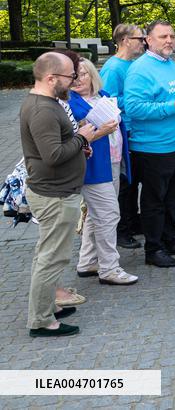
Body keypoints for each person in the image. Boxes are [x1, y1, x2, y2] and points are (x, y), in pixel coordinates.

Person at [20, 52, 102, 337]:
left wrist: (78, 146)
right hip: (54, 195)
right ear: (51, 78)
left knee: (49, 255)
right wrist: (82, 138)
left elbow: (58, 146)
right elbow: (53, 155)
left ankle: (47, 306)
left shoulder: (48, 103)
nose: (74, 80)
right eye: (70, 76)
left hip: (58, 191)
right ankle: (41, 321)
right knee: (51, 258)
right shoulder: (42, 110)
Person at [123, 21, 175, 268]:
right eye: (163, 36)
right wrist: (170, 108)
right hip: (154, 148)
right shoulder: (140, 69)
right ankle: (153, 249)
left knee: (173, 198)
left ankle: (170, 240)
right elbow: (133, 108)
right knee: (154, 201)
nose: (169, 40)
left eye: (172, 36)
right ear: (148, 40)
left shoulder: (170, 63)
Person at [69, 58, 138, 285]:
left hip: (113, 161)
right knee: (109, 214)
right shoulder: (71, 103)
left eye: (82, 74)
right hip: (93, 166)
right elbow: (77, 139)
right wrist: (102, 130)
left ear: (92, 75)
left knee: (96, 213)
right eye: (73, 75)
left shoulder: (104, 95)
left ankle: (88, 261)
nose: (78, 79)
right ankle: (109, 268)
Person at [100, 23, 145, 250]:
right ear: (125, 40)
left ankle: (132, 220)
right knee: (125, 182)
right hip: (122, 131)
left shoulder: (133, 64)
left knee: (133, 179)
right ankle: (121, 230)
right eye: (140, 38)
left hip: (135, 129)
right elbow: (107, 101)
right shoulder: (113, 68)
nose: (143, 42)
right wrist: (139, 100)